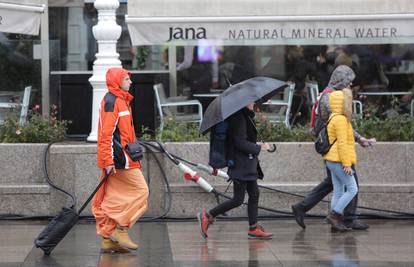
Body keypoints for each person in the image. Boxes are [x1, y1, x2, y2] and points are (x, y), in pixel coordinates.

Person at [292, 65, 373, 231]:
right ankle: (344, 217)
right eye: (348, 82)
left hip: (331, 147)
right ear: (341, 81)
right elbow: (341, 125)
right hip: (335, 149)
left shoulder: (329, 95)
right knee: (351, 183)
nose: (350, 86)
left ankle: (308, 209)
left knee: (333, 183)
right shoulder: (332, 98)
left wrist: (360, 139)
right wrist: (356, 142)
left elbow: (344, 126)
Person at [92, 68, 149, 253]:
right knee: (141, 191)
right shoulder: (113, 101)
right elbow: (105, 135)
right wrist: (108, 161)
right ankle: (120, 229)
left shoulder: (120, 100)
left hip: (122, 159)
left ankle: (108, 239)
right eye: (126, 78)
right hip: (119, 160)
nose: (130, 82)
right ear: (118, 81)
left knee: (113, 197)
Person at [197, 103, 273, 239]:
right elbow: (240, 142)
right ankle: (208, 215)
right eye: (251, 101)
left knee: (254, 194)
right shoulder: (239, 118)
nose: (253, 103)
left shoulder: (245, 116)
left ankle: (253, 227)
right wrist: (259, 147)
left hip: (247, 163)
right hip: (240, 164)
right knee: (238, 199)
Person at [324, 88, 359, 231]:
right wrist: (346, 164)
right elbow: (342, 144)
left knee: (338, 191)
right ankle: (335, 215)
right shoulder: (341, 120)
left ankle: (335, 224)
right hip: (338, 160)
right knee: (352, 188)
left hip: (331, 159)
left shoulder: (333, 117)